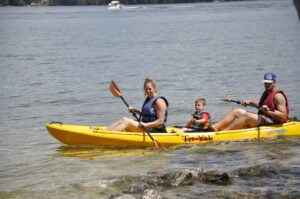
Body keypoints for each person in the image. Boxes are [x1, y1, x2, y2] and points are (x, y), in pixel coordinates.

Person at [210, 72, 289, 131]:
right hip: (265, 118)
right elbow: (261, 105)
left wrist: (268, 111)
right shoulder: (267, 93)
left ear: (274, 83)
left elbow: (284, 117)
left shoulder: (278, 96)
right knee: (236, 111)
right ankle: (214, 127)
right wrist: (249, 102)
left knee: (246, 115)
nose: (266, 84)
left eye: (269, 83)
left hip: (274, 122)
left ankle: (223, 133)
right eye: (265, 82)